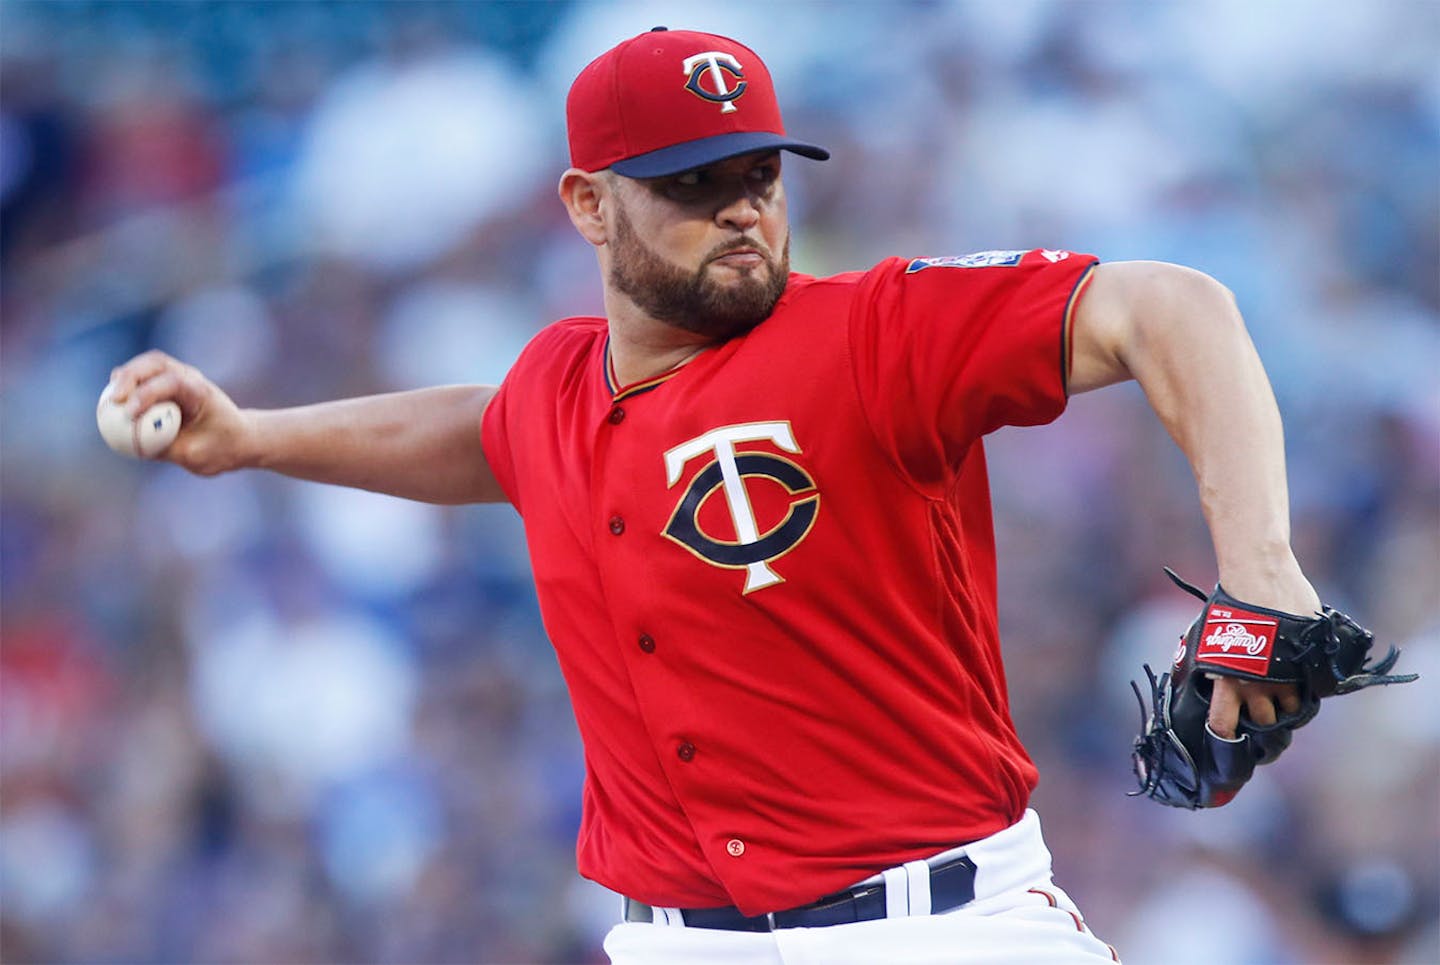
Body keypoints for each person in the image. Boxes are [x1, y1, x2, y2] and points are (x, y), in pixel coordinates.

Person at [109, 27, 1322, 965]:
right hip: (670, 935)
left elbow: (1171, 306)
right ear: (588, 204)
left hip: (937, 925)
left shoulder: (876, 332)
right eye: (693, 182)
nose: (742, 206)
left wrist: (1261, 562)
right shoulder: (557, 386)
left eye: (758, 173)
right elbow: (483, 433)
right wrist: (255, 437)